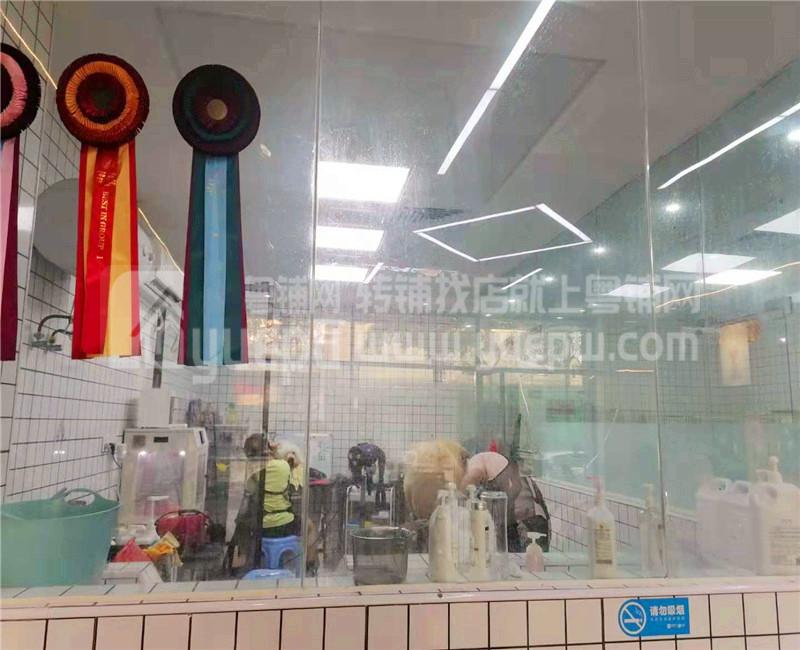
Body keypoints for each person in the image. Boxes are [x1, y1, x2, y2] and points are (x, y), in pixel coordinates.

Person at [461, 451, 550, 552]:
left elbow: (465, 492)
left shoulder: (474, 468)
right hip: (523, 510)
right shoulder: (482, 463)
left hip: (524, 515)